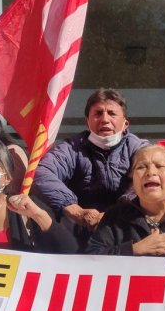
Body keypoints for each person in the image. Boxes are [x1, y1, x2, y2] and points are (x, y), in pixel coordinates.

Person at [32, 88, 148, 234]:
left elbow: (152, 176)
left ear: (125, 124)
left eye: (112, 113)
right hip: (81, 228)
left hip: (127, 226)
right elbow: (41, 172)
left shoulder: (139, 148)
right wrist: (74, 210)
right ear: (87, 123)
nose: (105, 119)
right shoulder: (72, 148)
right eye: (98, 113)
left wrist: (116, 213)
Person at [86, 145, 165, 265]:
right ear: (133, 181)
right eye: (141, 167)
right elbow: (91, 260)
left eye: (159, 166)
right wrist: (134, 249)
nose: (150, 172)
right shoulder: (114, 217)